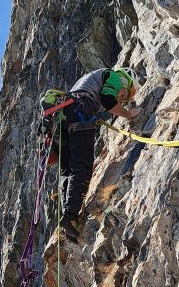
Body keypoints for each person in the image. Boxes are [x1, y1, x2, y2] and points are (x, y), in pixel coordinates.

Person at [58, 67, 141, 239]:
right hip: (80, 113)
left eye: (126, 99)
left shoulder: (90, 79)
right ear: (125, 80)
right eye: (126, 94)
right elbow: (108, 99)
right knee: (82, 166)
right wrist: (129, 114)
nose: (123, 98)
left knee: (68, 169)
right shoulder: (114, 76)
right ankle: (71, 215)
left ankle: (67, 213)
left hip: (62, 119)